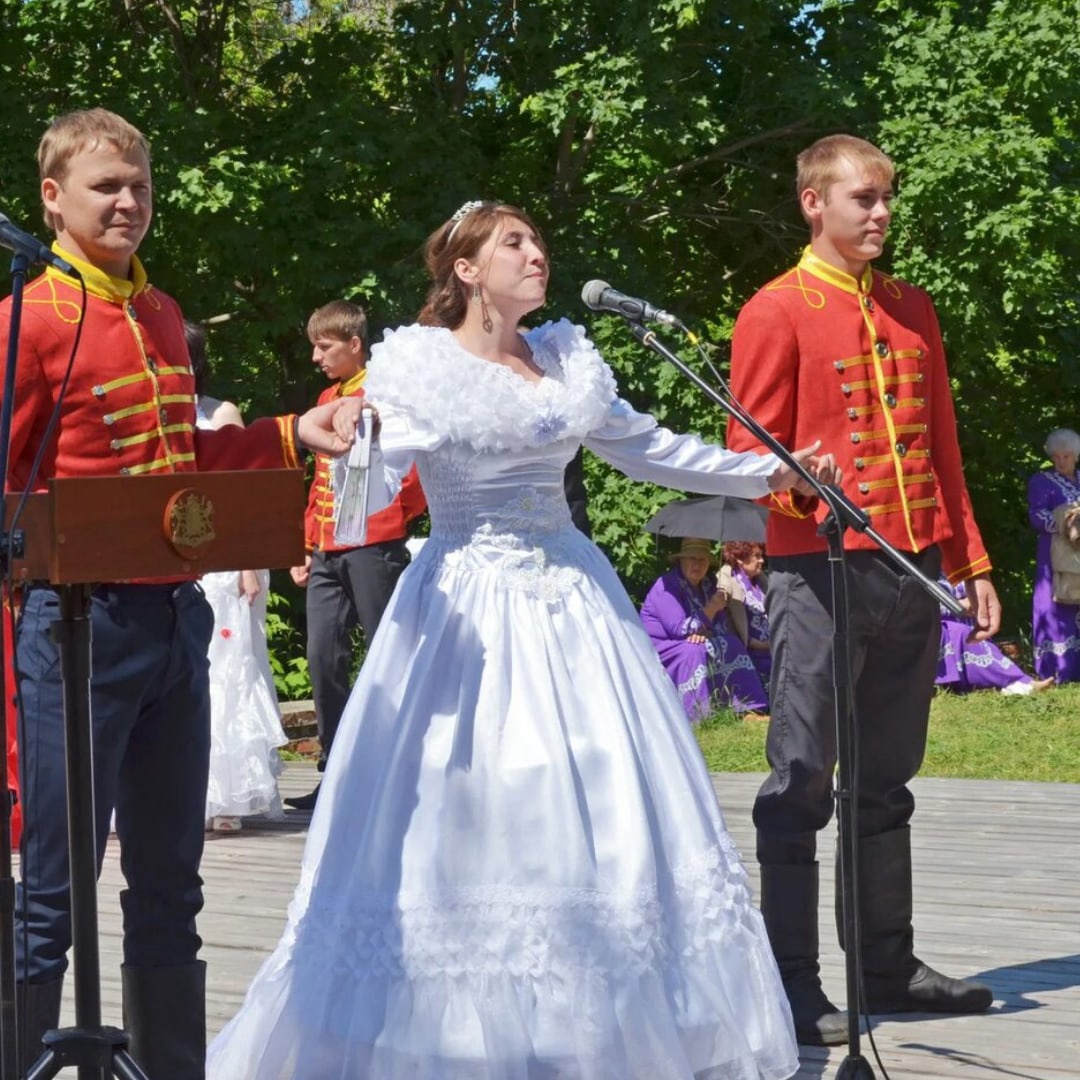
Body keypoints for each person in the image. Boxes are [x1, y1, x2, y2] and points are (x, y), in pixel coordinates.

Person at [208, 200, 839, 1080]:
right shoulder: (419, 367)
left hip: (575, 602)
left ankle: (604, 1027)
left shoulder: (565, 358)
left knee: (601, 794)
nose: (537, 253)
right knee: (476, 790)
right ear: (466, 269)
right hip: (465, 607)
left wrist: (769, 471)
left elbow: (646, 447)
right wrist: (356, 448)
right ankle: (452, 1035)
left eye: (538, 240)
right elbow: (369, 480)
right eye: (515, 243)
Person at [0, 107, 352, 1078]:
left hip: (171, 622)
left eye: (140, 185)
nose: (127, 202)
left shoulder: (158, 314)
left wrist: (292, 434)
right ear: (53, 197)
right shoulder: (29, 322)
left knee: (170, 886)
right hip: (75, 627)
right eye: (106, 186)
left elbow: (179, 458)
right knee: (50, 892)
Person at [727, 134, 1001, 1046]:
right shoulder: (774, 310)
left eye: (886, 198)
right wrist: (797, 486)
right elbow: (745, 457)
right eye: (862, 199)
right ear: (814, 202)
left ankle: (884, 965)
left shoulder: (912, 307)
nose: (880, 213)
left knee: (885, 785)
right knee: (801, 780)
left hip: (914, 567)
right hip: (817, 571)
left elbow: (943, 448)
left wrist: (972, 562)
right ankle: (793, 983)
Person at [285, 300, 427, 811]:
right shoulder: (327, 397)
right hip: (327, 548)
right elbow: (320, 478)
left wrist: (394, 520)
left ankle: (402, 766)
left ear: (353, 344)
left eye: (325, 347)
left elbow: (414, 474)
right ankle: (338, 770)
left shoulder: (386, 394)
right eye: (314, 348)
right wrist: (305, 542)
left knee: (389, 654)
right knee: (323, 656)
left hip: (373, 544)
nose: (318, 357)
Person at [186, 321, 289, 832]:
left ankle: (226, 793)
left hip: (225, 558)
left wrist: (249, 561)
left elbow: (244, 493)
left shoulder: (220, 413)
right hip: (171, 558)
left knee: (227, 668)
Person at [639, 537, 769, 720]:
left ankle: (749, 708)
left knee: (731, 643)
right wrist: (711, 609)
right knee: (695, 650)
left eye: (702, 560)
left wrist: (706, 631)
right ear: (681, 560)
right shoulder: (666, 586)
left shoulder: (707, 586)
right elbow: (680, 630)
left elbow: (721, 626)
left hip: (695, 642)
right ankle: (700, 715)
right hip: (662, 650)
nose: (697, 564)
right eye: (692, 558)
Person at [936, 579, 1054, 696]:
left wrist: (977, 603)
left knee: (970, 633)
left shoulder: (959, 567)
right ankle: (1018, 682)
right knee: (961, 632)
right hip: (933, 626)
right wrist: (957, 607)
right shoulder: (924, 567)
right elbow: (920, 605)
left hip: (965, 624)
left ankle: (1015, 684)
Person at [1027, 427, 1080, 683]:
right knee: (1057, 603)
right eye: (1056, 456)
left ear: (1076, 456)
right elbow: (1037, 515)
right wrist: (1067, 522)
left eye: (1066, 456)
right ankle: (1059, 668)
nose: (1060, 461)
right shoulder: (1041, 481)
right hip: (1054, 554)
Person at [722, 540, 772, 685]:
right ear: (740, 559)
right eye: (756, 556)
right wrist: (764, 645)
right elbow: (731, 630)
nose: (762, 560)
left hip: (772, 650)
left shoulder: (762, 583)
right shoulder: (730, 586)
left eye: (761, 555)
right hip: (751, 656)